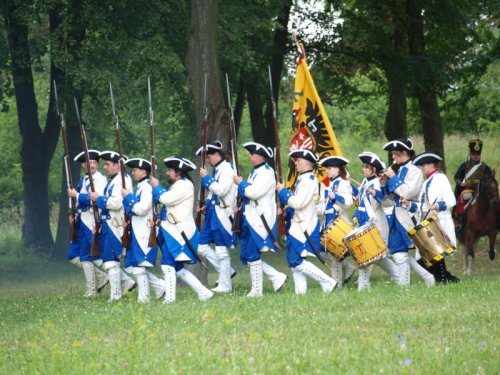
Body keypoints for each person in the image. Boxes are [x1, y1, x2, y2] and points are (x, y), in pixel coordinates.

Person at [150, 157, 214, 303]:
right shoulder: (179, 184)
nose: (167, 173)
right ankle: (203, 292)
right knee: (177, 268)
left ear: (178, 172)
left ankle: (170, 299)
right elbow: (171, 207)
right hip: (172, 231)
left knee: (167, 265)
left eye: (170, 170)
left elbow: (166, 199)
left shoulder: (184, 185)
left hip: (178, 233)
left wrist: (156, 187)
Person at [277, 149, 337, 295]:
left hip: (304, 226)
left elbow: (299, 203)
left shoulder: (309, 180)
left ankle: (328, 282)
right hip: (297, 225)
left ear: (307, 162)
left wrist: (283, 192)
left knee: (297, 261)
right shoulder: (303, 179)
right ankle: (301, 293)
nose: (295, 163)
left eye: (298, 160)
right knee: (293, 263)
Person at [234, 142, 287, 297]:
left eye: (252, 154)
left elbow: (254, 193)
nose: (249, 156)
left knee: (252, 254)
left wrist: (240, 183)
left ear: (261, 156)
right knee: (245, 255)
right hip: (249, 217)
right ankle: (277, 277)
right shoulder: (255, 171)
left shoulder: (266, 172)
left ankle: (257, 290)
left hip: (259, 219)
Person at [381, 138, 435, 286]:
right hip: (396, 214)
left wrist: (393, 178)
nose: (392, 157)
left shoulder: (415, 170)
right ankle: (421, 280)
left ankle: (417, 281)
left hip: (409, 215)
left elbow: (407, 192)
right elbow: (389, 198)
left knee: (404, 253)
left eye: (395, 154)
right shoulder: (399, 170)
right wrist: (384, 184)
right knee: (398, 253)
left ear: (404, 153)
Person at [90, 151, 136, 301]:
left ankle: (116, 295)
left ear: (118, 166)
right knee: (109, 260)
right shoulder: (114, 180)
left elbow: (116, 203)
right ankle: (117, 293)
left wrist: (99, 199)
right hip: (108, 224)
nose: (105, 167)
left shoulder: (123, 180)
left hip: (116, 225)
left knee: (112, 262)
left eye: (108, 164)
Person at [407, 152, 460, 284]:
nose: (421, 168)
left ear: (431, 165)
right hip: (429, 222)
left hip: (439, 221)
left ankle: (443, 280)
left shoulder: (440, 178)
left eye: (423, 165)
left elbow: (451, 200)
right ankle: (449, 279)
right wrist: (409, 204)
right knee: (423, 257)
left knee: (437, 254)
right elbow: (424, 206)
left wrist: (438, 205)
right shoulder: (427, 182)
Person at [352, 152, 400, 290]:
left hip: (376, 224)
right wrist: (356, 214)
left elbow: (388, 203)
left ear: (373, 169)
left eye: (366, 167)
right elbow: (362, 203)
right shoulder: (364, 183)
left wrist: (377, 194)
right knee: (369, 258)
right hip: (365, 224)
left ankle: (364, 288)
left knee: (370, 257)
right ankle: (398, 278)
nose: (363, 169)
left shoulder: (378, 183)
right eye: (364, 166)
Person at [121, 158, 166, 302]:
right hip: (137, 229)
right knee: (133, 265)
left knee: (140, 267)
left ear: (143, 171)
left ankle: (144, 298)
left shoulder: (147, 187)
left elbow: (141, 209)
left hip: (145, 231)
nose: (132, 173)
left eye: (135, 170)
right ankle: (160, 286)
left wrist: (128, 197)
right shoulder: (141, 186)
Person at [67, 150, 108, 297]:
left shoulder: (100, 179)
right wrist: (74, 215)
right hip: (82, 221)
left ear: (97, 164)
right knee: (74, 255)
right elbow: (78, 203)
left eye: (93, 162)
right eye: (88, 162)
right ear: (84, 164)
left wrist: (76, 195)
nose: (90, 165)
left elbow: (95, 199)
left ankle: (93, 289)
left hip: (92, 221)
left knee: (92, 256)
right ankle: (101, 279)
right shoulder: (82, 181)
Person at [316, 156, 356, 288]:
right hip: (327, 223)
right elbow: (323, 209)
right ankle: (348, 268)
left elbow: (348, 203)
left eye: (329, 168)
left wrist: (335, 197)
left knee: (334, 257)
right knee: (322, 252)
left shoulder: (343, 183)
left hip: (338, 224)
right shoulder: (329, 185)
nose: (327, 171)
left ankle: (336, 286)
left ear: (338, 169)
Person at [453, 138, 492, 232]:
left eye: (477, 154)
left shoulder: (485, 168)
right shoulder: (465, 166)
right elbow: (457, 177)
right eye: (474, 154)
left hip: (482, 191)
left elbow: (490, 180)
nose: (475, 156)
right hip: (468, 190)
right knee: (464, 199)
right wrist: (462, 183)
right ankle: (460, 222)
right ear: (470, 154)